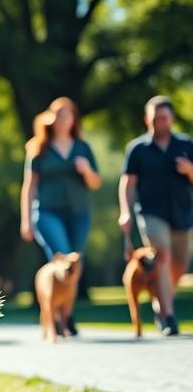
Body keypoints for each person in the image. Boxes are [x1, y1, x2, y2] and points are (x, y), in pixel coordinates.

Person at [19, 97, 101, 335]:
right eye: (59, 114)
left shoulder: (83, 147)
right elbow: (29, 186)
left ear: (74, 119)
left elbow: (96, 183)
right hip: (47, 212)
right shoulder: (39, 148)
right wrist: (25, 219)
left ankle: (66, 315)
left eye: (68, 114)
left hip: (79, 213)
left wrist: (87, 171)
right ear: (51, 118)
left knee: (76, 263)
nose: (64, 119)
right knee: (62, 258)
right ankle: (54, 315)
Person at [118, 95, 193, 336]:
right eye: (155, 119)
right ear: (147, 120)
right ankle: (168, 315)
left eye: (164, 118)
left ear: (171, 119)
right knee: (162, 255)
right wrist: (125, 211)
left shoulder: (185, 145)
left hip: (182, 213)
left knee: (179, 264)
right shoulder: (137, 149)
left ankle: (160, 300)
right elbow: (128, 183)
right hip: (150, 213)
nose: (160, 123)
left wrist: (190, 170)